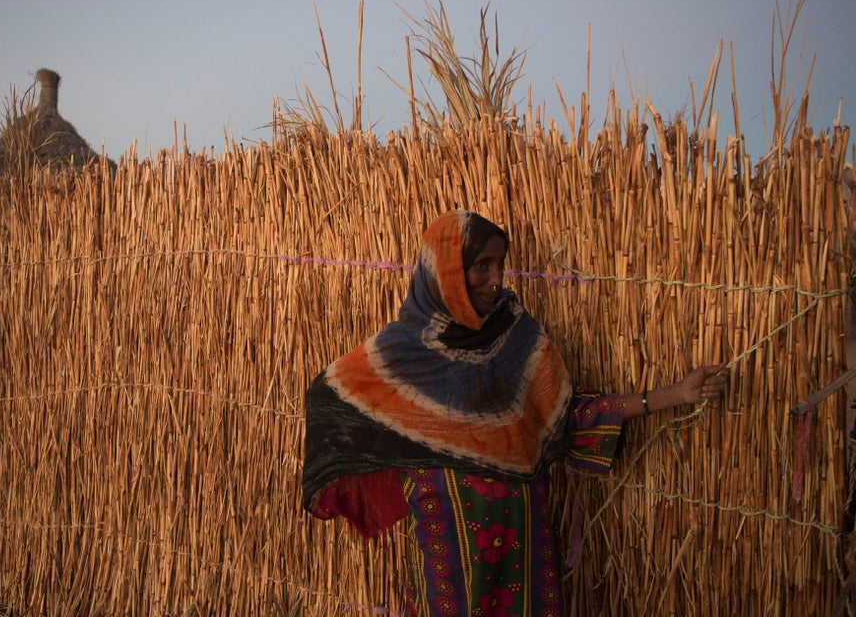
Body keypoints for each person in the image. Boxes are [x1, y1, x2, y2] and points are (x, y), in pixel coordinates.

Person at [301, 210, 729, 616]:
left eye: (499, 264)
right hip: (449, 535)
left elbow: (564, 415)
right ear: (446, 271)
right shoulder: (401, 352)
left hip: (522, 533)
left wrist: (672, 395)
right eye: (481, 266)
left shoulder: (517, 334)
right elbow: (329, 396)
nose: (495, 280)